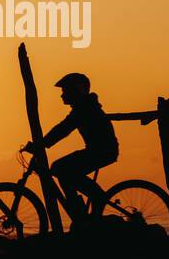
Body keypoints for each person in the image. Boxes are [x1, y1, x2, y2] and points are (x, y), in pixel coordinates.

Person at [21, 73, 119, 220]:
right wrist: (42, 144)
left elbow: (63, 129)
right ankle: (84, 211)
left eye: (65, 91)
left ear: (76, 90)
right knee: (63, 171)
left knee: (59, 168)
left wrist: (40, 144)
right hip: (99, 150)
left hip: (102, 151)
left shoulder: (84, 108)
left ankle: (93, 201)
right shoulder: (84, 106)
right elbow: (62, 129)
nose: (62, 95)